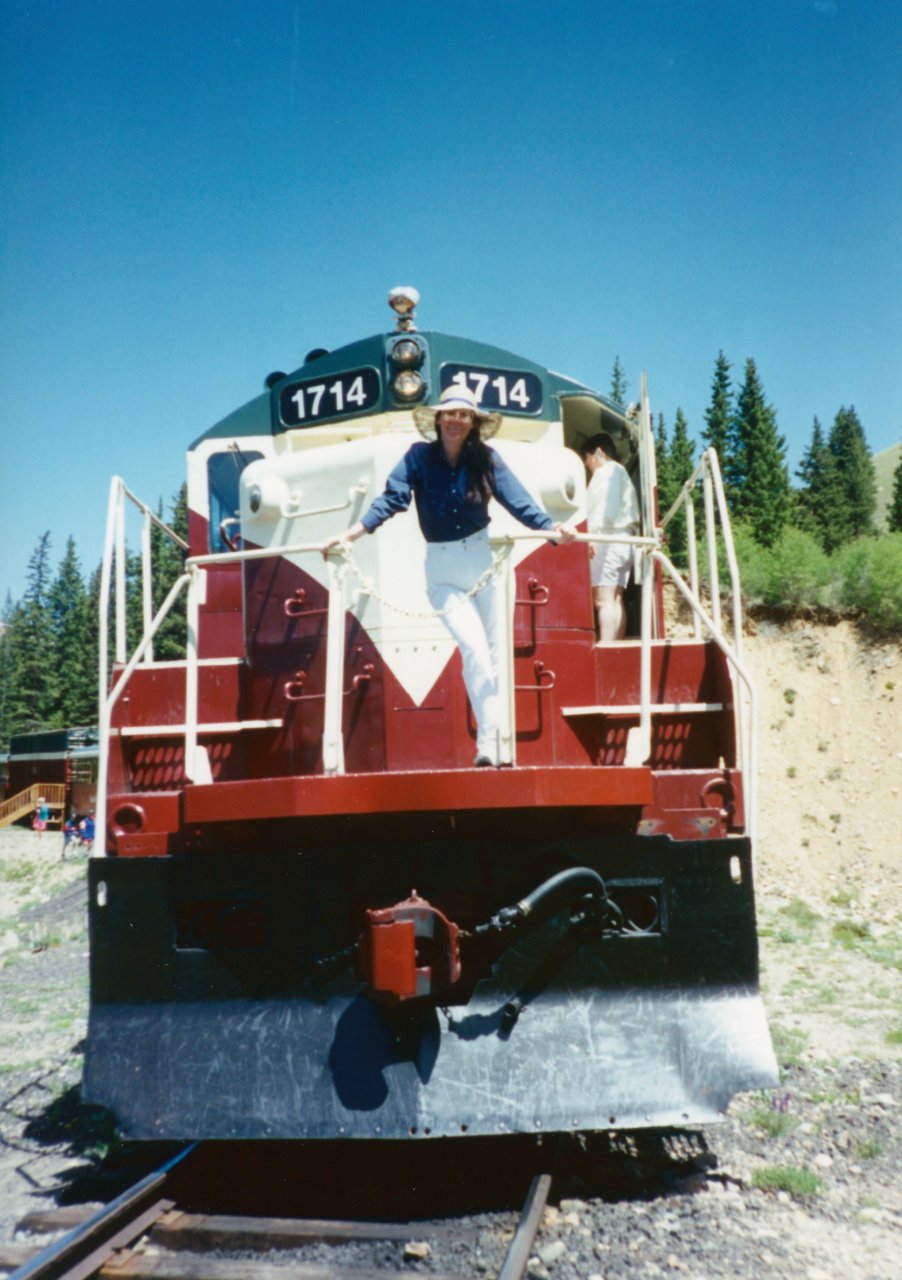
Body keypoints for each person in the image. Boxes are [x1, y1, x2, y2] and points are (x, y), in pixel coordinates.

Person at [323, 384, 576, 766]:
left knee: (494, 655)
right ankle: (489, 744)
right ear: (438, 419)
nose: (456, 420)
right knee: (473, 649)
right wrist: (352, 533)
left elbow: (517, 499)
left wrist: (551, 529)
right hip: (442, 570)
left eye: (464, 415)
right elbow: (392, 498)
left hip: (482, 563)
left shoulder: (486, 459)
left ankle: (491, 745)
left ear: (472, 423)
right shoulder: (418, 458)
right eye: (450, 413)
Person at [580, 432, 640, 642]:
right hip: (624, 541)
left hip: (608, 540)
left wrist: (592, 538)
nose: (589, 467)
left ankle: (605, 648)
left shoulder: (608, 472)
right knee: (615, 599)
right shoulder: (620, 473)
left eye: (588, 461)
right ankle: (615, 646)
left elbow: (605, 510)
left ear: (598, 452)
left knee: (602, 600)